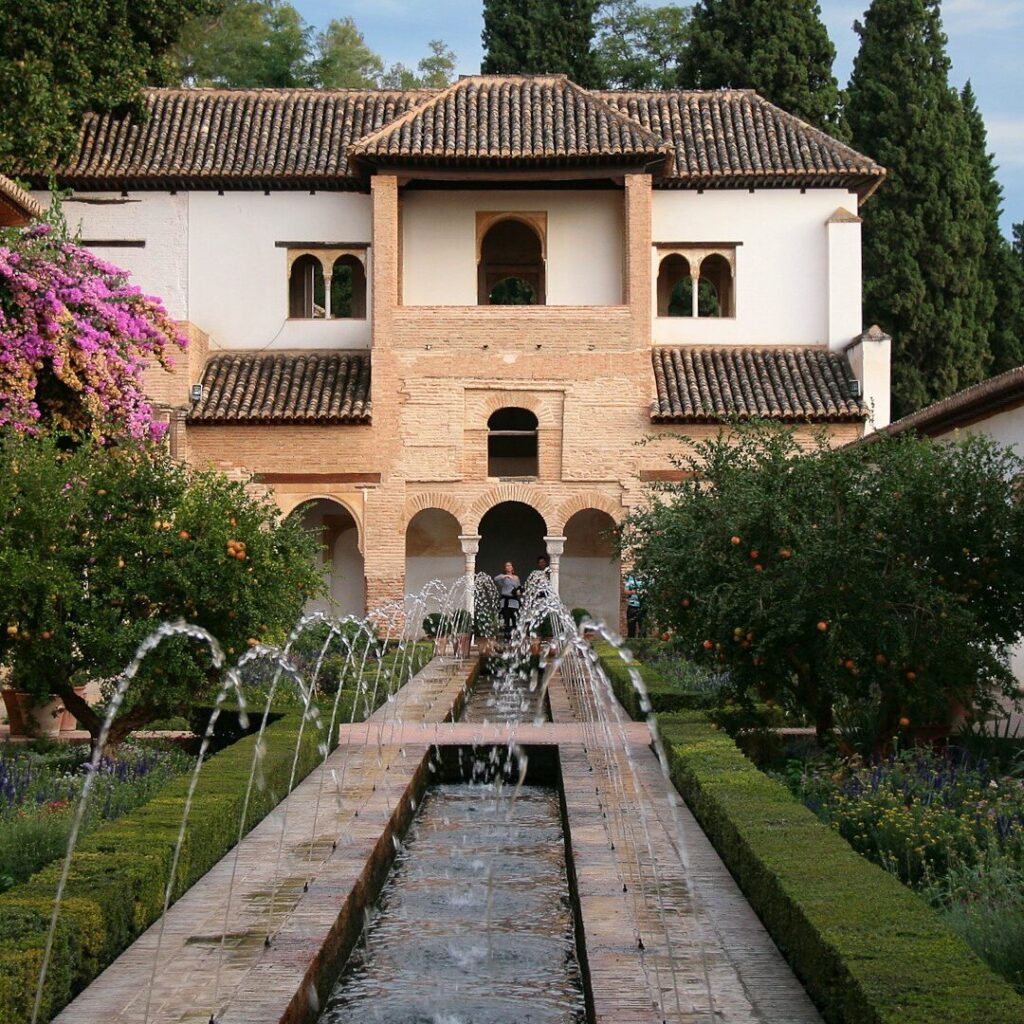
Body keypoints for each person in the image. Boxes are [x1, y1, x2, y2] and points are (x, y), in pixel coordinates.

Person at [494, 561, 521, 639]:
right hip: (505, 600)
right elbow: (496, 579)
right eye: (507, 566)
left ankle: (515, 636)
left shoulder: (516, 577)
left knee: (514, 618)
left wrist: (518, 591)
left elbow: (518, 587)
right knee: (506, 618)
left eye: (510, 566)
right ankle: (506, 636)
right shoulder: (503, 577)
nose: (508, 567)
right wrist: (505, 576)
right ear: (505, 568)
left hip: (514, 600)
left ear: (512, 567)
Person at [625, 573, 645, 638]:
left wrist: (644, 592)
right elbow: (626, 591)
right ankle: (631, 645)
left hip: (643, 606)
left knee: (643, 628)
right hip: (632, 606)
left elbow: (651, 590)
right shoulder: (630, 578)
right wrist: (633, 592)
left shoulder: (647, 578)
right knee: (631, 628)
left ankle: (642, 644)